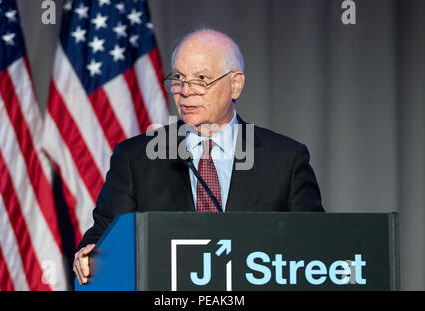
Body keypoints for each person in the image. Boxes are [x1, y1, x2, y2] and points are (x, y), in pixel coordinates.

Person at [73, 29, 324, 285]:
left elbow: (316, 250)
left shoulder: (284, 159)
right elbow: (103, 237)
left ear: (235, 84)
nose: (185, 90)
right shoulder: (135, 158)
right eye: (179, 78)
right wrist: (89, 254)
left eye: (201, 78)